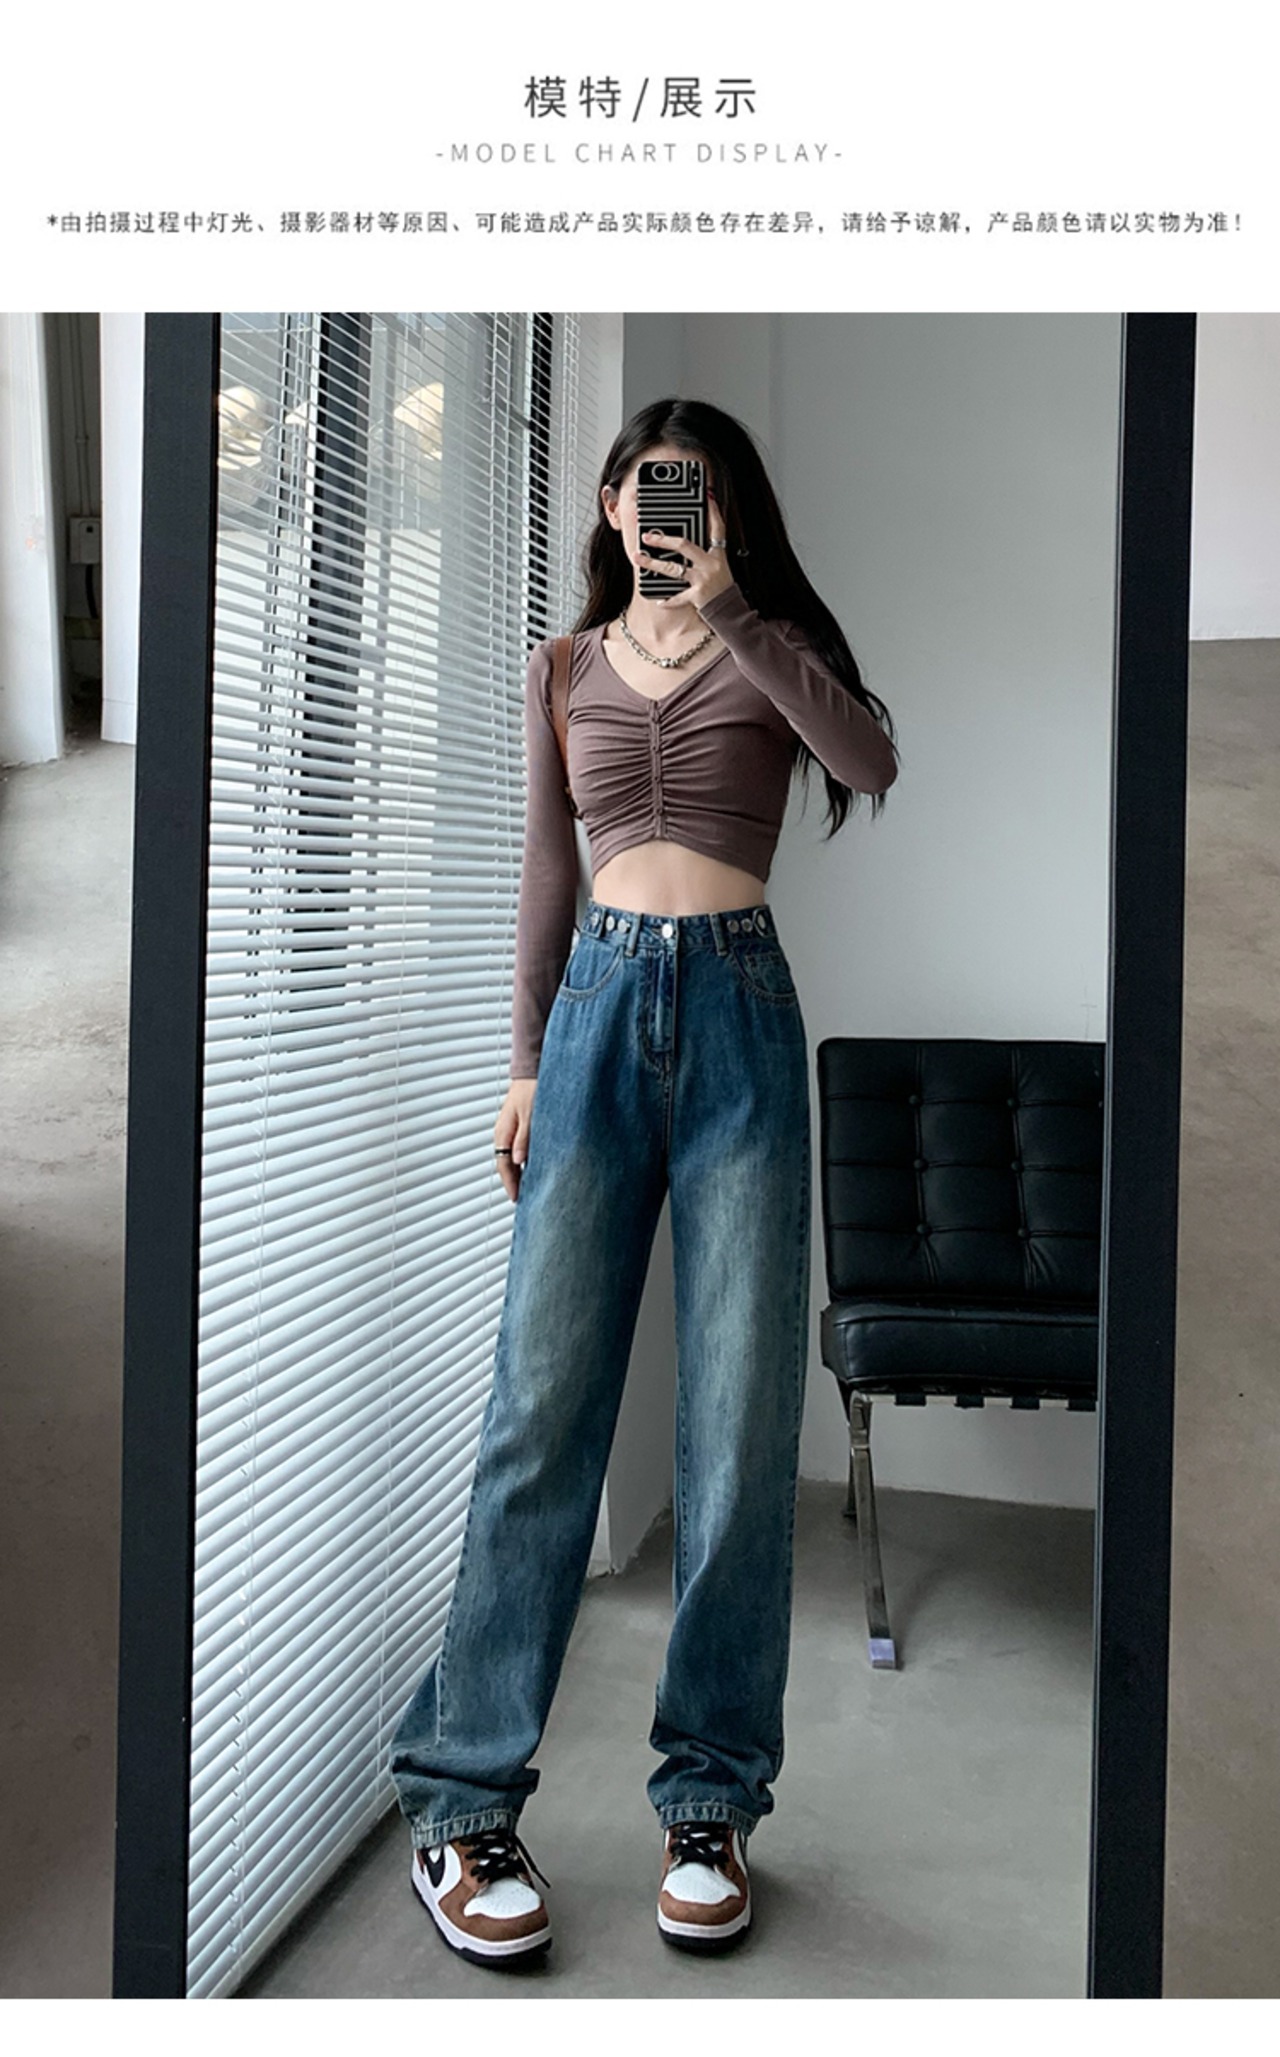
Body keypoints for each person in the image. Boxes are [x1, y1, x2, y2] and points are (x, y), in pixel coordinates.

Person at [388, 397, 899, 1969]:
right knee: (539, 1416)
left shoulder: (773, 646)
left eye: (697, 490)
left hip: (741, 1015)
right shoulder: (562, 669)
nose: (666, 508)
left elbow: (869, 759)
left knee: (738, 1432)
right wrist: (524, 1058)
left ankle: (710, 1802)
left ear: (724, 510)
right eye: (646, 484)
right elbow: (550, 867)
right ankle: (462, 1800)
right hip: (598, 1018)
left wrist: (732, 606)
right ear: (613, 502)